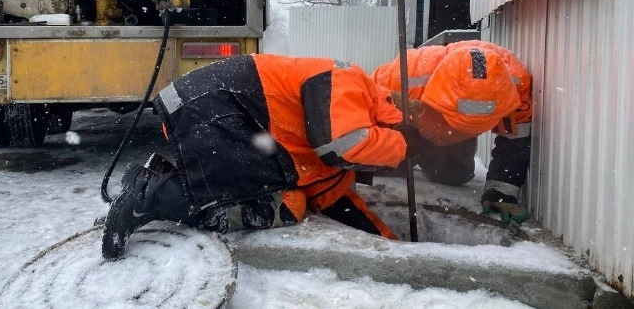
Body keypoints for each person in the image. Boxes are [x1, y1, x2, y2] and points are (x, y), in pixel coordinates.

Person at [101, 54, 408, 260]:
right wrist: (402, 148)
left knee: (290, 197)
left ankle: (164, 183)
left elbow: (330, 194)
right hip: (215, 105)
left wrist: (390, 246)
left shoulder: (334, 129)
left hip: (205, 105)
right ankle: (152, 193)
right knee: (284, 205)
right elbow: (343, 145)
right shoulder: (349, 80)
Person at [371, 40, 532, 224]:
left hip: (445, 138)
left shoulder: (516, 87)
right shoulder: (405, 75)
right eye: (454, 124)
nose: (454, 131)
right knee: (384, 165)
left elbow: (514, 143)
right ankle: (407, 152)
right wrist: (390, 137)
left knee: (453, 175)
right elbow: (362, 106)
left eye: (465, 130)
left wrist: (500, 191)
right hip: (404, 125)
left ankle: (426, 154)